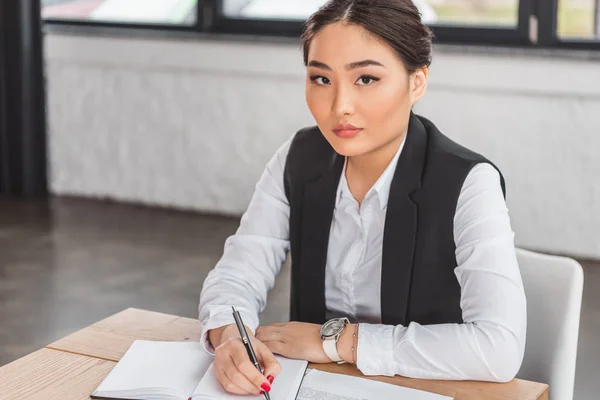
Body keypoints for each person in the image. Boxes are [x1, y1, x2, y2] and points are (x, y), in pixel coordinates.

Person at [198, 0, 527, 396]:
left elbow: (499, 348)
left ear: (416, 82)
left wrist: (337, 341)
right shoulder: (298, 158)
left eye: (366, 79)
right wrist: (230, 337)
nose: (340, 107)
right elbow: (238, 271)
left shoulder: (469, 182)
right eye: (321, 79)